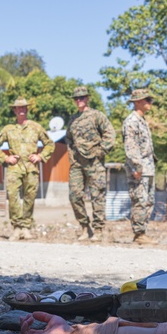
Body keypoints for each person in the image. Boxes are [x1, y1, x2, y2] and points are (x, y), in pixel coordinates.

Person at [0, 97, 55, 241]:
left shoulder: (36, 127)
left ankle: (26, 228)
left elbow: (50, 144)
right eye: (18, 108)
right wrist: (6, 158)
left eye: (23, 107)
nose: (21, 110)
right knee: (13, 197)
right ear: (14, 110)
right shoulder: (8, 129)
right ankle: (16, 228)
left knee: (29, 198)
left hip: (31, 168)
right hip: (14, 168)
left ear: (27, 109)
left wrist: (41, 156)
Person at [65, 85, 116, 242]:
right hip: (77, 164)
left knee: (97, 196)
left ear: (87, 98)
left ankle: (99, 229)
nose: (79, 101)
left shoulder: (97, 115)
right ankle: (84, 227)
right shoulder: (73, 120)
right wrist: (72, 155)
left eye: (82, 98)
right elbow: (68, 138)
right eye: (76, 98)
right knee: (74, 195)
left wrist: (100, 152)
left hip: (94, 163)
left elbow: (110, 134)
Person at [123, 89, 157, 245]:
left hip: (148, 167)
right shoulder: (131, 121)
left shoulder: (142, 121)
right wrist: (137, 167)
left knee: (148, 201)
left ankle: (143, 231)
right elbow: (131, 147)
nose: (150, 103)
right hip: (139, 169)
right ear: (137, 102)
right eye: (147, 100)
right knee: (139, 200)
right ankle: (139, 234)